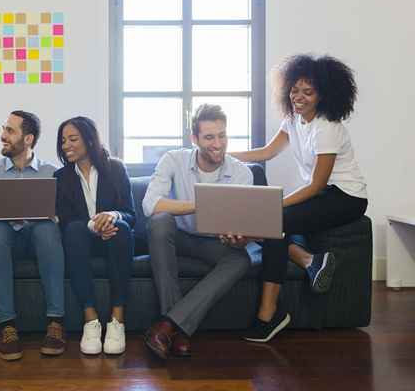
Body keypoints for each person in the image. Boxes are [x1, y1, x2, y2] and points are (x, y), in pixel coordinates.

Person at [230, 54, 368, 343]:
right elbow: (266, 153)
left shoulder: (327, 127)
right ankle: (309, 261)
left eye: (308, 92)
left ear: (323, 95)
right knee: (272, 225)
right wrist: (225, 155)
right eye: (295, 90)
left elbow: (317, 185)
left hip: (346, 197)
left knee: (272, 220)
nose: (299, 97)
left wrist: (275, 204)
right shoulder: (292, 120)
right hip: (324, 194)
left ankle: (267, 317)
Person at [141, 104, 255, 359]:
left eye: (222, 135)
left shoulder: (241, 172)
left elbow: (244, 225)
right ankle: (177, 329)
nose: (218, 144)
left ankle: (168, 327)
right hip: (178, 237)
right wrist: (199, 205)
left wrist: (238, 239)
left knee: (241, 259)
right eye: (209, 137)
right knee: (159, 222)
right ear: (194, 139)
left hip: (215, 242)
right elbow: (150, 204)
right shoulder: (173, 159)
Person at [0, 110, 66, 360]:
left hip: (40, 242)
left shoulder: (52, 174)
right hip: (4, 242)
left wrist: (53, 217)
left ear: (28, 139)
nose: (2, 136)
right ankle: (7, 326)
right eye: (3, 129)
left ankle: (55, 323)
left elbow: (68, 221)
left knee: (47, 228)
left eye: (10, 131)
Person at [54, 116, 135, 355]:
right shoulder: (61, 177)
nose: (66, 145)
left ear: (89, 140)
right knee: (74, 230)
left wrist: (112, 216)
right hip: (81, 241)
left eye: (72, 139)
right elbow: (66, 219)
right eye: (63, 141)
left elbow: (131, 214)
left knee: (122, 229)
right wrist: (94, 225)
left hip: (115, 240)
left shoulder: (116, 168)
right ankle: (90, 320)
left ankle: (117, 320)